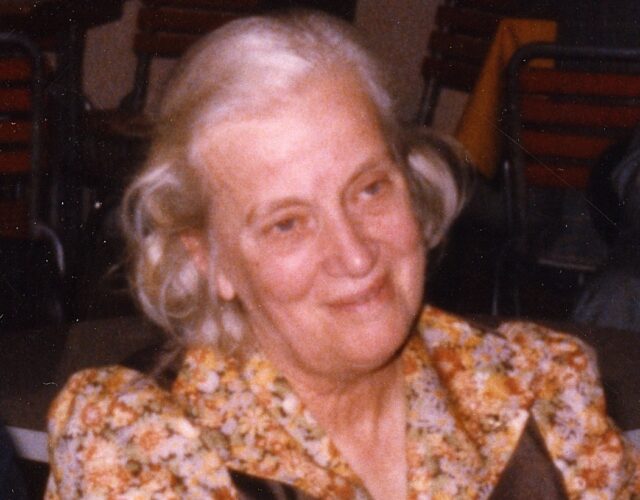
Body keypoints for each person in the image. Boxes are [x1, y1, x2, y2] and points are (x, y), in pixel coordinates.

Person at [45, 11, 639, 499]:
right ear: (209, 260)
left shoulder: (541, 388)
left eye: (371, 188)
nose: (355, 256)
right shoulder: (136, 437)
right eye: (287, 224)